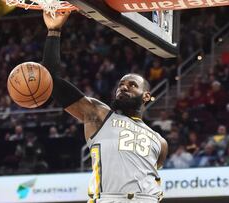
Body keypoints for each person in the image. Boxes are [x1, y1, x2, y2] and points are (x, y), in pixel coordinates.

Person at [41, 12, 168, 203]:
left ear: (146, 96)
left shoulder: (160, 142)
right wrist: (54, 31)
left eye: (132, 85)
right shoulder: (99, 115)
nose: (123, 87)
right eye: (121, 84)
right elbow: (51, 81)